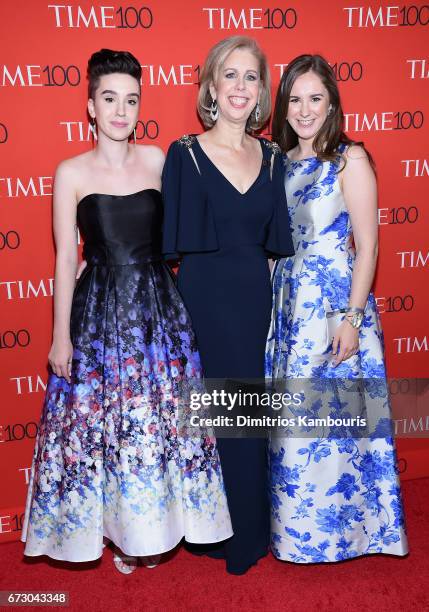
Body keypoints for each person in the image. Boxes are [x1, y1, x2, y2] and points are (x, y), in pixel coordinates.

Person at [21, 49, 232, 574]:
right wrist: (60, 337)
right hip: (98, 312)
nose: (121, 110)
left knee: (156, 424)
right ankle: (117, 533)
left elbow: (191, 230)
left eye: (131, 100)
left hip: (158, 313)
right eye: (109, 98)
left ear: (141, 105)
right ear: (90, 106)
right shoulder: (70, 172)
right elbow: (67, 257)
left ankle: (153, 531)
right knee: (105, 429)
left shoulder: (160, 161)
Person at [266, 54, 408, 562]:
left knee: (341, 428)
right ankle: (297, 537)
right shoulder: (278, 162)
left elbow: (367, 247)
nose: (304, 110)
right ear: (284, 106)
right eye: (296, 99)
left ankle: (355, 536)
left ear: (331, 104)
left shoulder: (351, 159)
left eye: (315, 99)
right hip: (289, 306)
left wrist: (351, 318)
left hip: (334, 307)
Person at [162, 36, 294, 575]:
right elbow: (168, 250)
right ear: (212, 86)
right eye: (231, 75)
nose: (241, 87)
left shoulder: (272, 159)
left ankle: (250, 534)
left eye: (252, 77)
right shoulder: (184, 154)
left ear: (262, 90)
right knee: (212, 422)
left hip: (253, 299)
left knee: (249, 421)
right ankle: (215, 531)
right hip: (202, 300)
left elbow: (274, 247)